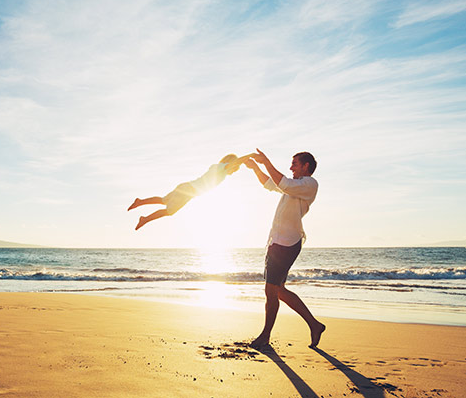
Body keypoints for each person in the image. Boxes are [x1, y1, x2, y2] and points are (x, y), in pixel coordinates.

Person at [244, 148, 325, 348]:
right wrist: (255, 168)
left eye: (294, 163)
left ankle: (265, 336)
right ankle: (315, 325)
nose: (291, 167)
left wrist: (266, 162)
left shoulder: (309, 184)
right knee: (278, 290)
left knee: (271, 290)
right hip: (276, 242)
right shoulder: (293, 185)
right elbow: (269, 183)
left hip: (287, 243)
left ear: (306, 166)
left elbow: (282, 182)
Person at [128, 154, 252, 230]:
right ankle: (145, 219)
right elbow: (234, 163)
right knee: (169, 211)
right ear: (230, 163)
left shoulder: (219, 170)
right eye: (235, 168)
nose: (235, 171)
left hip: (186, 188)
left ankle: (140, 202)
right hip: (188, 191)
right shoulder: (220, 168)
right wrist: (250, 156)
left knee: (163, 200)